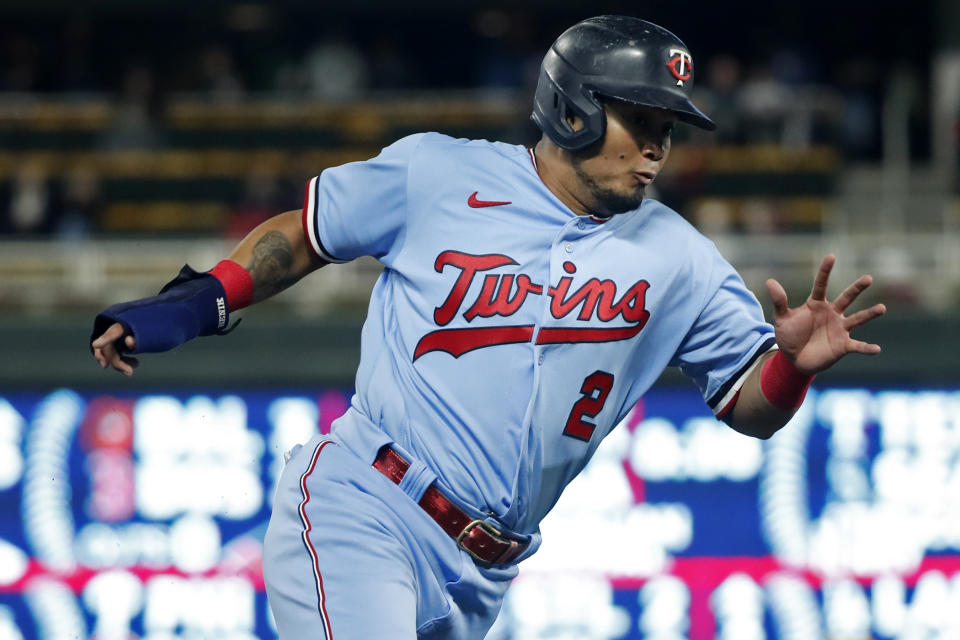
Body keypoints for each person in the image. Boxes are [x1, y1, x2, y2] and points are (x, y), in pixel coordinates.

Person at [90, 16, 885, 640]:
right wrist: (199, 302)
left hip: (484, 575)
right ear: (574, 108)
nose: (657, 146)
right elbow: (307, 233)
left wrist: (792, 371)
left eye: (668, 128)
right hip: (368, 505)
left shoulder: (678, 255)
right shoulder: (440, 173)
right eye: (640, 118)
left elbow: (747, 406)